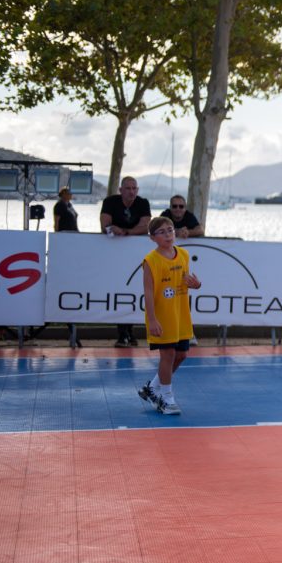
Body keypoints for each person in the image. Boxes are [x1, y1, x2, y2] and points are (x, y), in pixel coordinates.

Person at [137, 217, 201, 415]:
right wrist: (152, 319)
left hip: (180, 313)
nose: (168, 234)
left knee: (182, 354)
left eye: (170, 230)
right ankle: (167, 398)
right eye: (162, 232)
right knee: (168, 354)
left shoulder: (183, 254)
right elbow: (148, 292)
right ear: (152, 238)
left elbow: (186, 281)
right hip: (162, 315)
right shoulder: (150, 261)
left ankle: (152, 388)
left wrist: (196, 284)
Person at [100, 176, 152, 347]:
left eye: (134, 188)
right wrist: (113, 229)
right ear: (121, 190)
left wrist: (126, 231)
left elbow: (146, 226)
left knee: (134, 291)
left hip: (135, 254)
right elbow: (105, 225)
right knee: (119, 290)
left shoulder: (143, 203)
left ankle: (129, 331)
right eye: (128, 188)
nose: (131, 191)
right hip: (113, 255)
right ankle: (123, 333)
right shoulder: (110, 202)